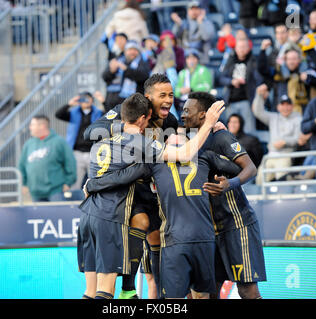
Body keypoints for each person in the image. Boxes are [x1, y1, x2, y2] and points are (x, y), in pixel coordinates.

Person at [77, 92, 225, 299]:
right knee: (104, 291)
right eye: (148, 119)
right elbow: (184, 154)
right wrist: (209, 124)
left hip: (86, 216)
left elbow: (106, 176)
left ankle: (128, 290)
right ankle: (127, 290)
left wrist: (92, 184)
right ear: (142, 119)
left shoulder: (103, 140)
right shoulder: (140, 142)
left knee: (89, 291)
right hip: (108, 216)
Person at [83, 74, 179, 299]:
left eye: (171, 95)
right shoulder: (126, 110)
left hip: (150, 187)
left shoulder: (171, 122)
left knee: (154, 234)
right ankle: (128, 288)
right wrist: (129, 131)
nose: (168, 100)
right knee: (137, 225)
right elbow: (90, 133)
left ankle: (154, 294)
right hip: (123, 187)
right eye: (162, 95)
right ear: (148, 97)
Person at [181, 92, 266, 299]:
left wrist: (230, 183)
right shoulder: (189, 142)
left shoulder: (221, 136)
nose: (182, 114)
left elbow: (251, 168)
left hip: (236, 224)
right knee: (207, 291)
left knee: (247, 290)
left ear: (202, 115)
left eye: (186, 110)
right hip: (209, 229)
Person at [18, 115, 76, 202]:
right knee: (38, 216)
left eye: (33, 125)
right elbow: (21, 165)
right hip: (35, 193)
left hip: (56, 191)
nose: (30, 127)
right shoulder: (29, 144)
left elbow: (70, 163)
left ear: (42, 126)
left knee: (56, 215)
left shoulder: (59, 142)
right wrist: (24, 184)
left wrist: (68, 182)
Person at [252, 86, 302, 184]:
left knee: (282, 180)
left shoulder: (298, 118)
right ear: (278, 107)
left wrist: (285, 142)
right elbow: (258, 112)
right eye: (282, 105)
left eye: (288, 104)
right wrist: (259, 96)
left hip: (286, 155)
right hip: (271, 155)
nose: (285, 107)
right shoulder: (273, 117)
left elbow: (299, 139)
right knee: (260, 180)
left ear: (292, 106)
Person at [55, 92, 103, 192]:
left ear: (92, 100)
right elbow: (58, 114)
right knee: (74, 182)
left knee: (96, 181)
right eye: (83, 99)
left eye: (88, 98)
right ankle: (73, 203)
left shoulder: (98, 113)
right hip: (77, 153)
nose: (85, 101)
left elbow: (112, 115)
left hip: (94, 152)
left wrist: (103, 101)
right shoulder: (74, 113)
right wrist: (69, 104)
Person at [219, 38, 260, 134]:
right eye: (239, 47)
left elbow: (258, 79)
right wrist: (232, 81)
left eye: (244, 47)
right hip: (231, 101)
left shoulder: (253, 61)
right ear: (236, 48)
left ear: (249, 48)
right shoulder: (231, 61)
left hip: (246, 101)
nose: (241, 49)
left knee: (249, 130)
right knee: (231, 132)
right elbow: (221, 78)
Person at [102, 40, 151, 112]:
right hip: (114, 104)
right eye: (130, 49)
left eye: (135, 50)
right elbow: (105, 77)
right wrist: (111, 71)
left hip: (133, 105)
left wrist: (126, 69)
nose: (133, 52)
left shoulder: (142, 62)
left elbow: (144, 76)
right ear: (125, 51)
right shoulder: (117, 61)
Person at [171, 1, 216, 65]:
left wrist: (200, 23)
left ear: (201, 10)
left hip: (201, 57)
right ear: (188, 11)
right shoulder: (183, 23)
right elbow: (174, 37)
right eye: (192, 9)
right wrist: (178, 24)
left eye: (196, 9)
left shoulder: (207, 23)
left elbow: (206, 37)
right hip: (185, 57)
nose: (194, 11)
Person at [174, 48, 212, 114]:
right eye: (188, 58)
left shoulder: (203, 70)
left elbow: (207, 87)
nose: (191, 61)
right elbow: (176, 91)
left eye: (193, 58)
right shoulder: (182, 73)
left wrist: (191, 89)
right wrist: (181, 91)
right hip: (184, 103)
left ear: (197, 60)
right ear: (186, 60)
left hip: (198, 103)